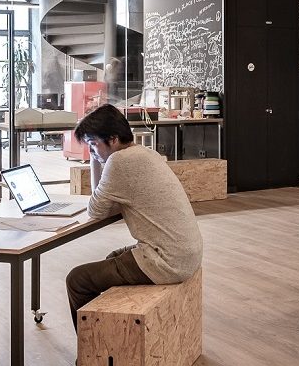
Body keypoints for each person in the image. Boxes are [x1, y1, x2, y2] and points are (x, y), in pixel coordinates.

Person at [64, 104, 203, 327]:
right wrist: (97, 154)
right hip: (187, 253)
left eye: (93, 144)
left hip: (167, 261)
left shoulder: (119, 161)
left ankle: (90, 345)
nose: (92, 151)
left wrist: (95, 161)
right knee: (112, 258)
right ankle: (106, 330)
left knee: (77, 280)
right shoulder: (146, 153)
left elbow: (95, 210)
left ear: (113, 139)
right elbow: (108, 206)